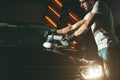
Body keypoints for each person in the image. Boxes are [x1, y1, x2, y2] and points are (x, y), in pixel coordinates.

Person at [55, 0, 119, 79]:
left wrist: (68, 39)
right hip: (102, 48)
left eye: (82, 2)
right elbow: (72, 27)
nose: (81, 5)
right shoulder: (90, 14)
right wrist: (54, 31)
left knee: (111, 77)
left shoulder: (99, 4)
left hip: (109, 46)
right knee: (103, 77)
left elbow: (86, 26)